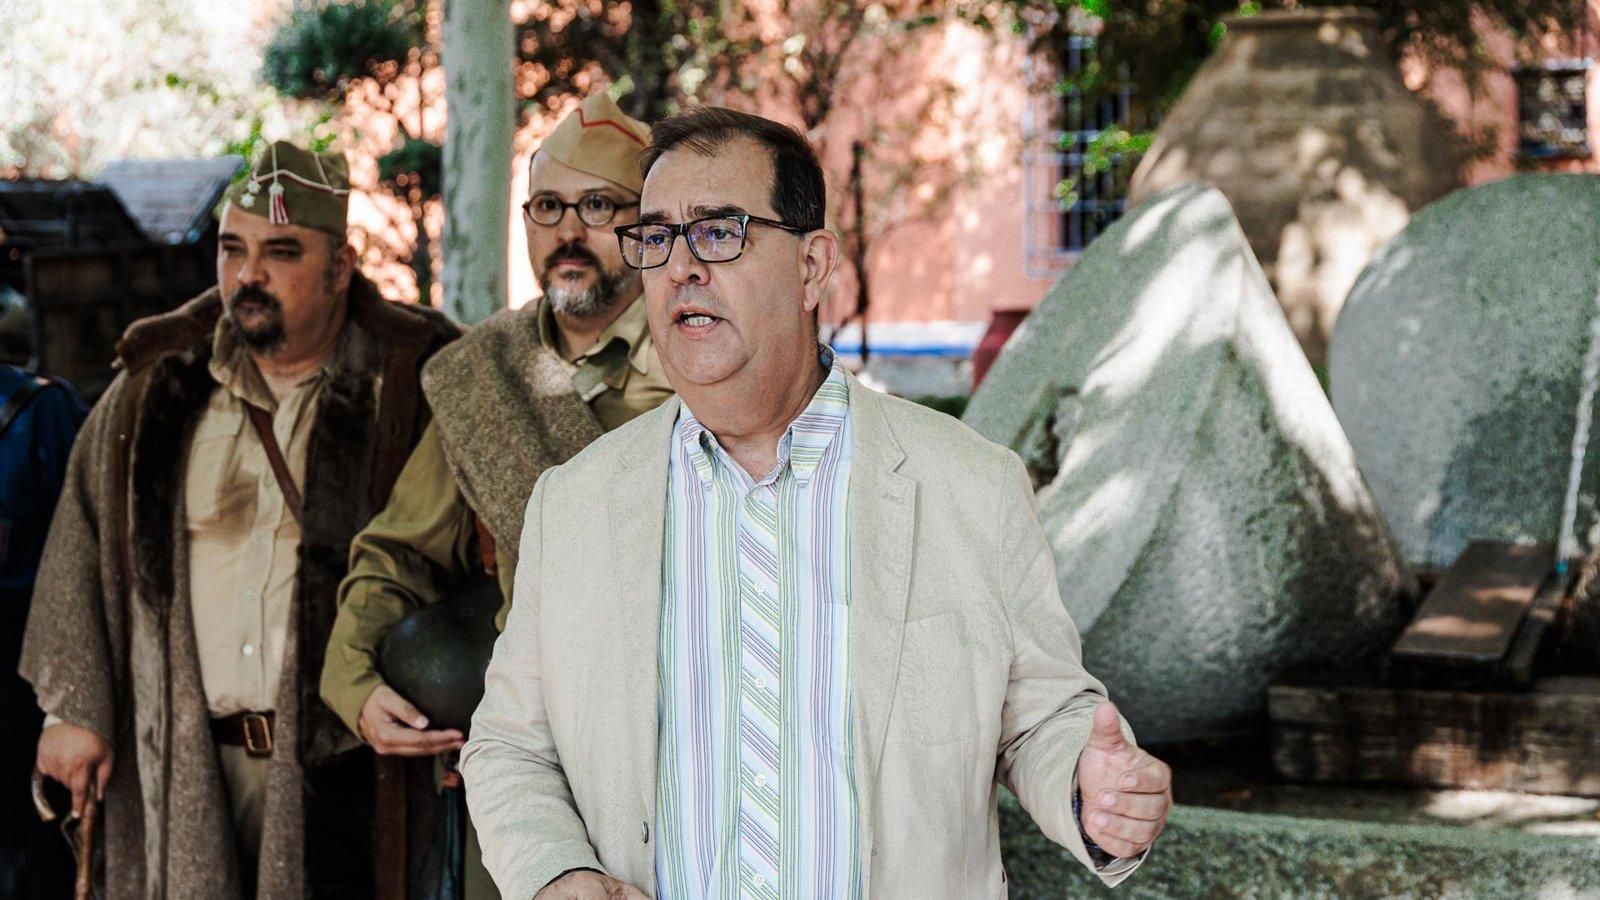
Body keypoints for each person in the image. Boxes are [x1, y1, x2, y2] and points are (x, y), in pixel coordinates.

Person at [460, 106, 1173, 899]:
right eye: (656, 237)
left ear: (811, 266)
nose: (681, 267)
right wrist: (556, 874)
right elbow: (509, 746)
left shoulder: (969, 485)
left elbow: (1039, 716)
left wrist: (1088, 786)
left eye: (718, 232)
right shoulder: (576, 505)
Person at [21, 140, 458, 899]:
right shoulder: (154, 389)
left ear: (341, 267)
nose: (248, 274)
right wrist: (72, 708)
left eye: (280, 252)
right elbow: (80, 544)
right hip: (184, 757)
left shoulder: (411, 389)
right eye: (233, 250)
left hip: (354, 767)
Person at [319, 92, 672, 900]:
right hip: (529, 772)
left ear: (649, 227)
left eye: (598, 206)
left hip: (688, 752)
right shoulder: (484, 375)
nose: (567, 231)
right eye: (547, 207)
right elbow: (398, 551)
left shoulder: (703, 363)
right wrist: (354, 683)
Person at [0, 355, 86, 898]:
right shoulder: (44, 406)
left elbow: (86, 556)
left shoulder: (40, 409)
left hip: (29, 671)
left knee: (33, 852)